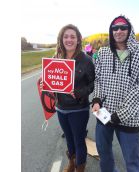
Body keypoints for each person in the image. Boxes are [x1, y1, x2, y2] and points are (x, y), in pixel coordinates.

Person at [92, 15, 139, 172]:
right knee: (104, 155)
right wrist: (96, 99)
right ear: (111, 31)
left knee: (132, 162)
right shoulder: (103, 52)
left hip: (129, 118)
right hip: (104, 115)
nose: (118, 31)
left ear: (129, 29)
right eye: (115, 28)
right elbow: (98, 79)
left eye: (123, 27)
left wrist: (120, 115)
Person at [54, 24, 95, 172]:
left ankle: (80, 168)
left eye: (72, 36)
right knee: (69, 140)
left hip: (78, 109)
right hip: (60, 108)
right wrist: (44, 81)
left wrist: (79, 92)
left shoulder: (86, 60)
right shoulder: (56, 57)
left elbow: (93, 84)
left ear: (78, 39)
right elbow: (52, 79)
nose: (69, 39)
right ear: (61, 39)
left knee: (78, 141)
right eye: (66, 36)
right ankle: (71, 163)